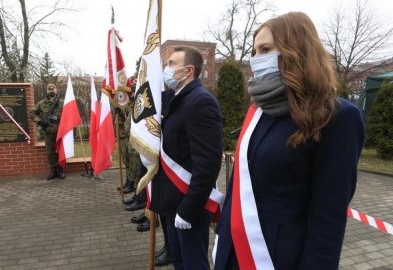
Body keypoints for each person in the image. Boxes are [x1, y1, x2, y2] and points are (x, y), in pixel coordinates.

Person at [213, 12, 365, 270]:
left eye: (266, 49)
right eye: (254, 51)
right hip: (234, 248)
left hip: (278, 255)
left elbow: (328, 218)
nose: (256, 59)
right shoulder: (259, 108)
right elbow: (241, 181)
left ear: (296, 49)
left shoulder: (338, 117)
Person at [149, 46, 223, 269]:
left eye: (171, 64)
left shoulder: (201, 102)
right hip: (172, 203)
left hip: (188, 205)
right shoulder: (176, 100)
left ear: (188, 70)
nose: (166, 68)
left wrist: (188, 210)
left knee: (193, 265)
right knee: (180, 263)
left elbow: (208, 165)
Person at [30, 83, 65, 180]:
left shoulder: (62, 102)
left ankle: (61, 170)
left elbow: (69, 114)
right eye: (49, 90)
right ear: (47, 91)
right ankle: (53, 171)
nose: (51, 91)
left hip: (60, 132)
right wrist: (40, 121)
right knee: (50, 153)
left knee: (60, 151)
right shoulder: (42, 103)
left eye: (53, 89)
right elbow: (32, 113)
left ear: (56, 91)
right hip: (48, 132)